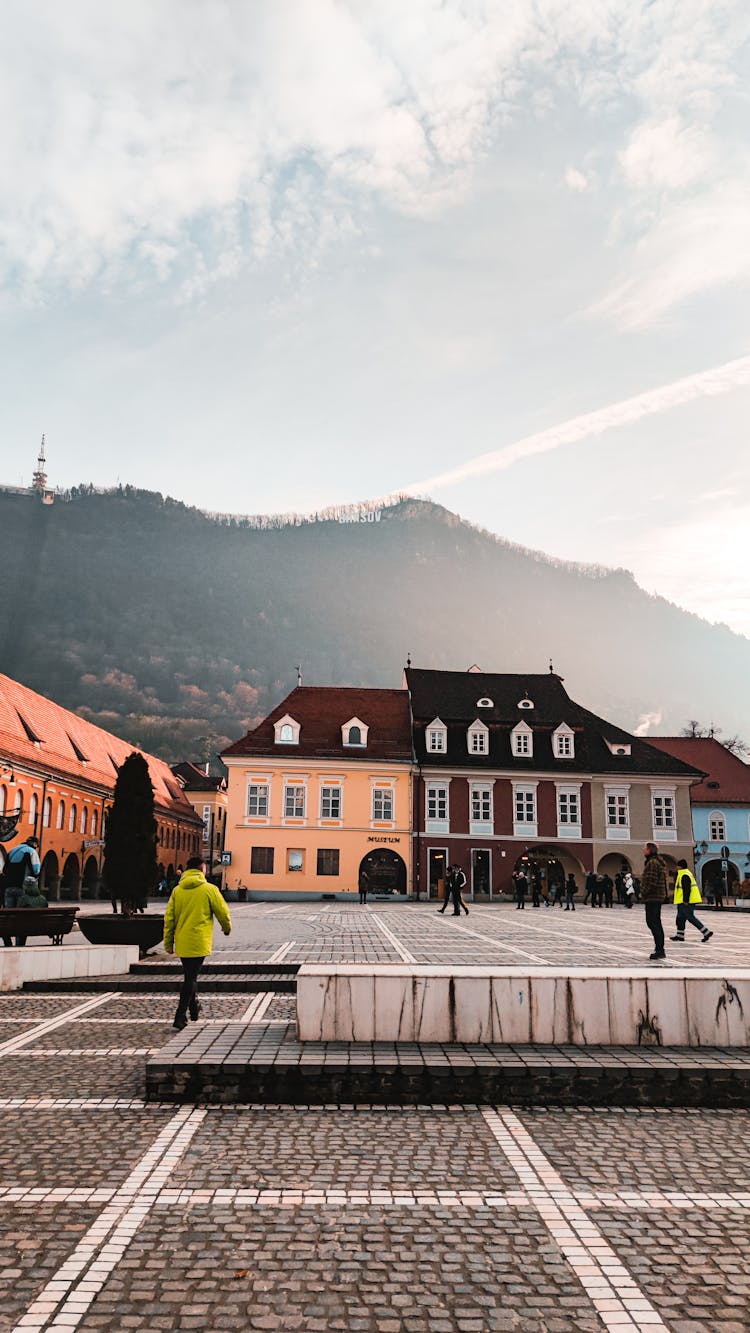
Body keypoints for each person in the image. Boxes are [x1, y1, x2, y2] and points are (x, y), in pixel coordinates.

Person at [164, 856, 232, 1030]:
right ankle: (180, 1016)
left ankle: (194, 1008)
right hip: (199, 941)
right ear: (202, 869)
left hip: (182, 941)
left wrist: (168, 943)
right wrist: (226, 928)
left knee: (190, 974)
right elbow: (222, 911)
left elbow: (169, 919)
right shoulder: (209, 889)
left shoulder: (177, 891)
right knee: (191, 978)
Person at [2, 837, 42, 947]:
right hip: (22, 889)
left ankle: (7, 942)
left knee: (8, 916)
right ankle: (20, 944)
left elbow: (4, 870)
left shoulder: (12, 851)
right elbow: (36, 870)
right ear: (34, 844)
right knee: (21, 917)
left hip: (8, 888)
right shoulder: (31, 852)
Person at [671, 859, 713, 944]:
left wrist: (686, 900)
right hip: (682, 901)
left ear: (680, 867)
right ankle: (680, 935)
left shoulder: (685, 875)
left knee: (690, 917)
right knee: (680, 918)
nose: (676, 867)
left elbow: (687, 888)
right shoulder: (683, 874)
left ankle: (706, 932)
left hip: (687, 901)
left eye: (677, 866)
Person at [641, 841, 668, 960]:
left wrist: (644, 893)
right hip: (656, 897)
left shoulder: (652, 863)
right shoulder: (656, 862)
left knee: (653, 922)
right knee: (655, 922)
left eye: (645, 848)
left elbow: (651, 881)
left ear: (649, 850)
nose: (643, 850)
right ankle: (659, 948)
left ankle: (660, 950)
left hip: (653, 897)